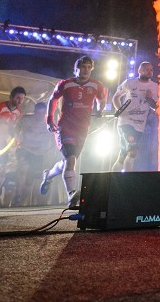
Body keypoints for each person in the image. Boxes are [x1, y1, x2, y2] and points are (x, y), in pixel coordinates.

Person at [39, 56, 110, 208]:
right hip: (65, 127)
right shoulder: (65, 84)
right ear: (75, 69)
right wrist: (49, 120)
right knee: (71, 159)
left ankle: (49, 175)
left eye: (89, 67)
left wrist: (100, 110)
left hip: (82, 129)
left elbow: (102, 99)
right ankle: (72, 195)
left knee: (68, 162)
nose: (86, 70)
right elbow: (52, 100)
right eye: (83, 67)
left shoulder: (96, 85)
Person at [110, 61, 159, 173]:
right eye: (147, 69)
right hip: (125, 122)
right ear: (139, 71)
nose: (150, 72)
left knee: (122, 155)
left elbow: (156, 108)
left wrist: (150, 100)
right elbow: (115, 97)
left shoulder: (154, 86)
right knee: (133, 150)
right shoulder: (129, 83)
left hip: (140, 125)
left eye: (151, 69)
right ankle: (128, 181)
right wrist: (120, 110)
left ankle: (112, 178)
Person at [13, 101, 53, 206]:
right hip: (25, 149)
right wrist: (17, 138)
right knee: (22, 171)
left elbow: (53, 136)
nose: (39, 116)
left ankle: (23, 202)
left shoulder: (48, 123)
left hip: (38, 152)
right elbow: (16, 127)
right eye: (38, 113)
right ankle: (17, 195)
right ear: (34, 112)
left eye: (42, 114)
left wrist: (49, 148)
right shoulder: (26, 119)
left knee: (30, 178)